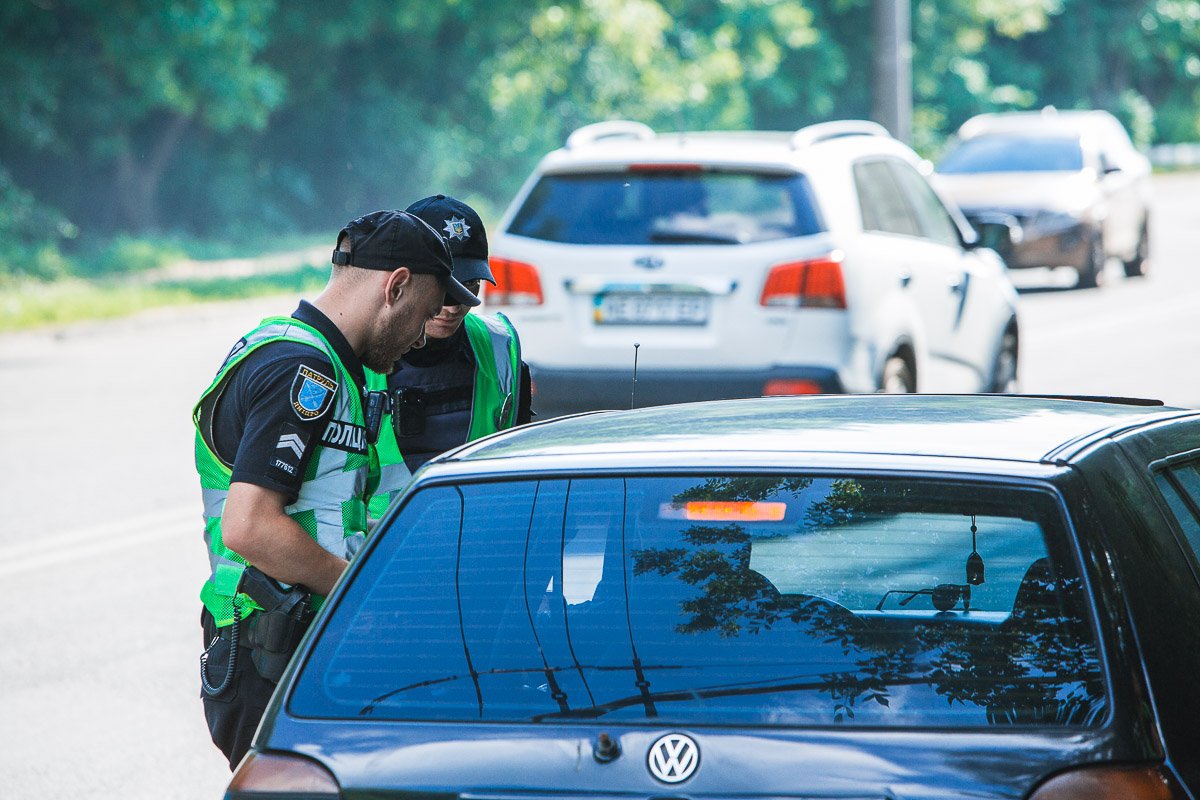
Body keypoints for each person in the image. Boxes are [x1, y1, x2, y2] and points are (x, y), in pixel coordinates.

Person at [193, 209, 479, 769]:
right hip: (267, 642)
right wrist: (358, 597)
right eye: (421, 315)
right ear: (395, 286)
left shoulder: (325, 365)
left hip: (293, 637)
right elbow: (250, 525)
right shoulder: (301, 370)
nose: (421, 336)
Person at [366, 195, 532, 517]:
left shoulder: (501, 349)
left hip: (473, 543)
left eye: (470, 284)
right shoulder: (354, 354)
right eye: (444, 285)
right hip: (378, 552)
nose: (455, 304)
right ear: (402, 280)